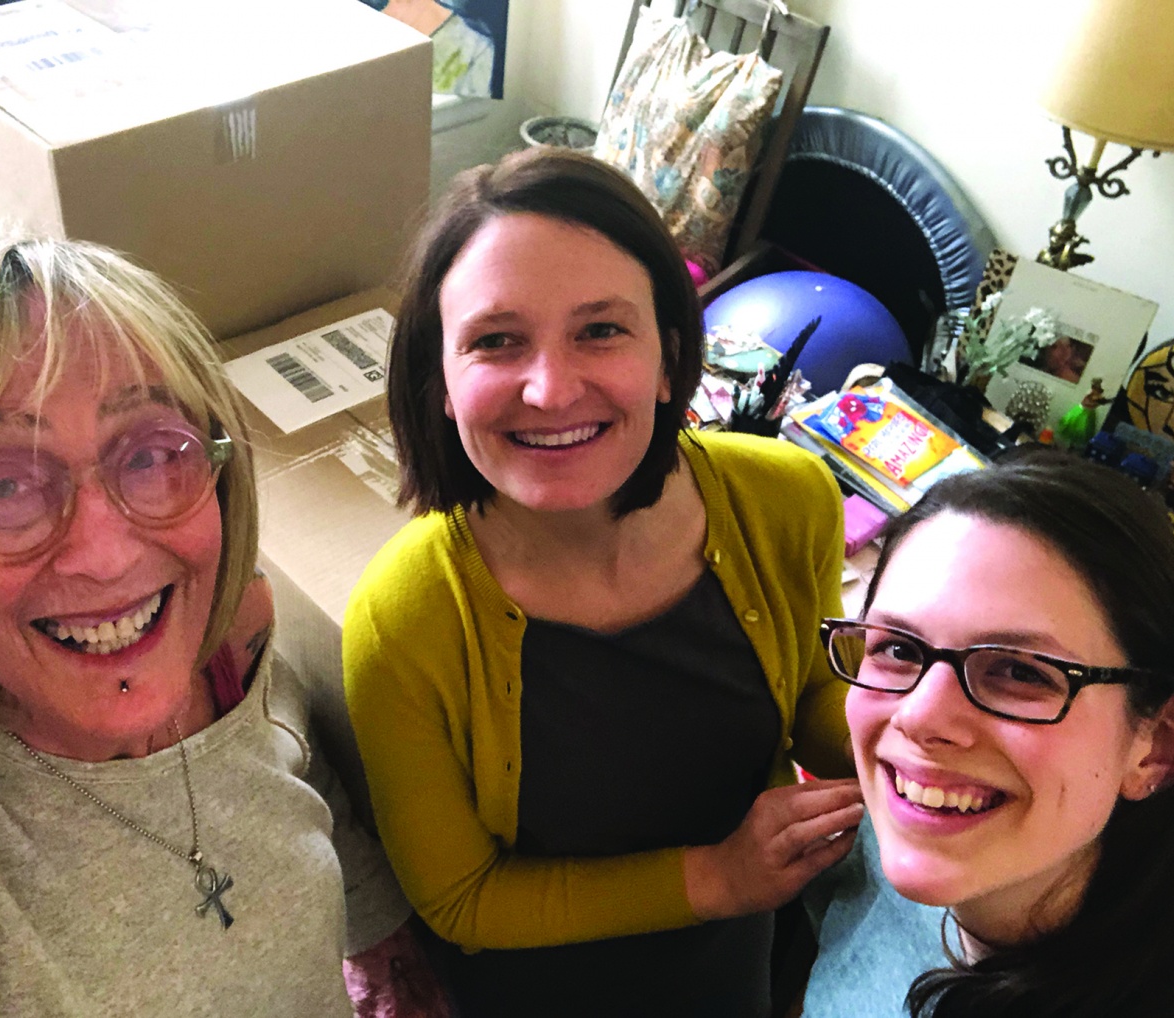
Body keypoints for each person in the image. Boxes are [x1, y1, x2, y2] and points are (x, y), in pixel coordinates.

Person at [0, 238, 425, 1015]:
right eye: (6, 484)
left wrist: (379, 935)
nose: (106, 554)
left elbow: (295, 769)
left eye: (152, 454)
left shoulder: (228, 641)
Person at [342, 147, 862, 1016]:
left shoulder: (786, 499)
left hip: (734, 978)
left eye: (600, 330)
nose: (550, 390)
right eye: (497, 340)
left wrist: (929, 721)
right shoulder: (406, 618)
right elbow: (463, 899)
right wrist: (717, 878)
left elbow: (812, 699)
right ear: (439, 379)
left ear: (668, 356)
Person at [805, 451, 1174, 1018]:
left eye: (1020, 672)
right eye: (899, 649)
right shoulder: (884, 842)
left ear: (1157, 747)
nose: (918, 717)